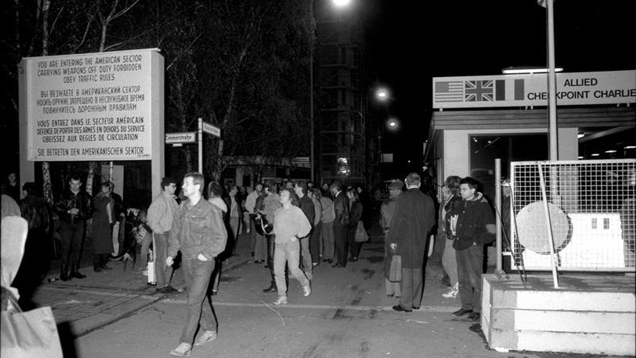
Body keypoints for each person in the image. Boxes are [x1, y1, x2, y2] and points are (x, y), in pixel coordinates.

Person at [166, 172, 227, 357]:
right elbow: (176, 232)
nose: (182, 186)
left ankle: (185, 343)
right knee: (198, 298)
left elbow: (221, 238)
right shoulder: (182, 207)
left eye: (186, 183)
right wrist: (172, 253)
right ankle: (210, 329)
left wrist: (206, 254)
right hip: (186, 259)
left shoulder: (210, 210)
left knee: (193, 301)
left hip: (203, 262)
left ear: (197, 187)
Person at [447, 176, 496, 321]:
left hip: (473, 247)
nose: (461, 192)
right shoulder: (463, 204)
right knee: (463, 278)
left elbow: (492, 231)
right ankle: (466, 306)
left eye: (464, 189)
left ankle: (478, 309)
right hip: (460, 245)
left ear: (473, 190)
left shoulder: (483, 206)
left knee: (475, 279)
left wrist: (477, 241)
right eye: (461, 189)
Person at [387, 173, 435, 313]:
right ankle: (415, 302)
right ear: (419, 184)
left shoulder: (403, 197)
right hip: (420, 239)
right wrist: (423, 231)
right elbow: (431, 222)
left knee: (406, 271)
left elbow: (397, 220)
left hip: (405, 238)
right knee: (417, 270)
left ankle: (405, 304)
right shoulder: (428, 199)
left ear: (406, 184)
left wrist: (393, 239)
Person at [271, 188, 312, 305]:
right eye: (281, 194)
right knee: (278, 271)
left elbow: (307, 227)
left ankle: (305, 283)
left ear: (290, 198)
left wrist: (297, 236)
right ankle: (282, 295)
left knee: (294, 269)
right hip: (279, 244)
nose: (281, 196)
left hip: (291, 244)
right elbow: (275, 228)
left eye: (284, 195)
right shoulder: (278, 211)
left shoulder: (296, 211)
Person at [14, 182, 52, 303]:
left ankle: (26, 281)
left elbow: (20, 220)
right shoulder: (43, 203)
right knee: (37, 259)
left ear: (26, 191)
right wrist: (46, 235)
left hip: (27, 234)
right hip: (40, 234)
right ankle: (34, 278)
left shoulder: (23, 203)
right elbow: (48, 221)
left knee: (27, 259)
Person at [52, 174, 93, 281]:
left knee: (77, 247)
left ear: (81, 184)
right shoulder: (63, 194)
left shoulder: (85, 196)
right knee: (65, 248)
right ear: (69, 183)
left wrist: (79, 213)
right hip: (66, 223)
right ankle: (63, 272)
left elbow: (89, 211)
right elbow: (55, 206)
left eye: (77, 184)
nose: (75, 186)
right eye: (73, 184)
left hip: (79, 224)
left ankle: (74, 270)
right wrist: (68, 211)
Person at [147, 177, 180, 294]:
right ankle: (160, 285)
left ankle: (166, 283)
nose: (175, 188)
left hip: (171, 233)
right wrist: (160, 231)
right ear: (166, 187)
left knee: (170, 259)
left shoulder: (172, 200)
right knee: (162, 259)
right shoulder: (160, 200)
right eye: (173, 186)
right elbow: (151, 218)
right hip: (163, 233)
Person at [439, 176, 462, 299]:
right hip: (449, 235)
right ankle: (456, 285)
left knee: (449, 262)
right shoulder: (450, 201)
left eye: (444, 191)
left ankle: (456, 287)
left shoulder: (455, 201)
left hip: (452, 236)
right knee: (449, 262)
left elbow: (454, 220)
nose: (442, 193)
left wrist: (453, 233)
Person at [381, 179, 403, 298]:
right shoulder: (404, 203)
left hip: (388, 234)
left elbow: (382, 220)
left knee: (389, 260)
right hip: (401, 234)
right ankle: (398, 291)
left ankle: (389, 290)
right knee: (399, 260)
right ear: (399, 191)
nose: (390, 192)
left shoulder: (385, 203)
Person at [208, 181, 230, 296]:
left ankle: (210, 286)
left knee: (211, 261)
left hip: (211, 235)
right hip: (219, 234)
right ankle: (214, 287)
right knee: (216, 261)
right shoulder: (222, 202)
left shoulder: (211, 202)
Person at [261, 181, 282, 293]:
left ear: (268, 189)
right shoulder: (271, 201)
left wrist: (266, 220)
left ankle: (276, 284)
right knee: (273, 259)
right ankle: (276, 283)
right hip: (272, 232)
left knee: (272, 259)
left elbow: (276, 217)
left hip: (274, 232)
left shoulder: (273, 201)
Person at [92, 181, 115, 272]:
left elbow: (111, 210)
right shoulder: (97, 198)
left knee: (106, 245)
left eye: (107, 188)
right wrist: (106, 198)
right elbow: (100, 207)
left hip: (108, 223)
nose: (106, 190)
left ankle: (103, 263)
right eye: (104, 188)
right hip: (99, 224)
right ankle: (97, 265)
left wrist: (112, 220)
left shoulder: (110, 198)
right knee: (99, 245)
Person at [294, 180, 315, 279]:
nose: (294, 189)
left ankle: (308, 271)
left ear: (300, 188)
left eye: (295, 187)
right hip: (296, 230)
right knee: (296, 251)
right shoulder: (298, 200)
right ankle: (298, 271)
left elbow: (309, 218)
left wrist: (304, 232)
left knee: (305, 250)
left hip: (303, 231)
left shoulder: (307, 202)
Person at [330, 181, 349, 268]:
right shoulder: (342, 195)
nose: (331, 190)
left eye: (332, 188)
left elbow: (340, 211)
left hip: (340, 223)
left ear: (335, 188)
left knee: (340, 243)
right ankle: (341, 261)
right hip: (343, 222)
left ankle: (341, 262)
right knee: (342, 243)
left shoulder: (340, 197)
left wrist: (336, 222)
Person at [246, 183, 266, 263]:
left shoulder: (263, 195)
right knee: (254, 233)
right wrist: (254, 210)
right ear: (255, 187)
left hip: (261, 215)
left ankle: (259, 252)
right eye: (258, 186)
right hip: (254, 215)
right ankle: (253, 249)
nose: (260, 188)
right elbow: (247, 205)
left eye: (261, 186)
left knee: (260, 234)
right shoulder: (251, 196)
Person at [316, 188, 335, 263]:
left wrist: (323, 211)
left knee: (331, 240)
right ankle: (327, 256)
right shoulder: (318, 201)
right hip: (323, 222)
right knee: (326, 240)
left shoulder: (325, 199)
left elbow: (332, 204)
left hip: (330, 221)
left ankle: (331, 256)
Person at [346, 187, 364, 262]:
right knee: (350, 240)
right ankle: (353, 254)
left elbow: (358, 214)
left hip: (355, 224)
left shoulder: (357, 203)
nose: (347, 195)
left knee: (355, 240)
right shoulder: (349, 202)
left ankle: (355, 256)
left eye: (348, 194)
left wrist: (352, 221)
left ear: (352, 194)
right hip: (349, 223)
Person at [308, 188, 323, 266]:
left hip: (315, 224)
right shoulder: (315, 201)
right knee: (314, 242)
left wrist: (314, 225)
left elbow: (317, 215)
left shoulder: (314, 202)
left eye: (309, 193)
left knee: (314, 242)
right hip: (316, 224)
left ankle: (315, 260)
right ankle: (315, 258)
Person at [228, 185, 242, 255]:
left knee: (235, 236)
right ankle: (229, 251)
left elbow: (238, 209)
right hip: (229, 219)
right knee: (230, 236)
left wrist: (240, 219)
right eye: (236, 189)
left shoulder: (236, 198)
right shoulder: (227, 198)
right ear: (232, 189)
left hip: (236, 219)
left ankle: (232, 251)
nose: (237, 191)